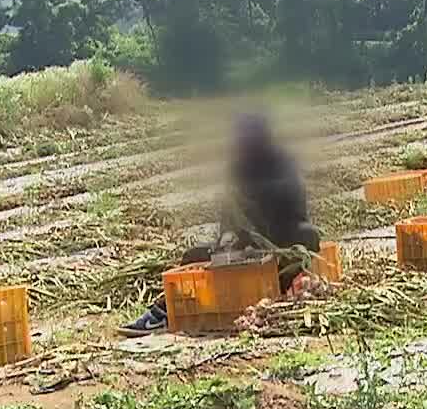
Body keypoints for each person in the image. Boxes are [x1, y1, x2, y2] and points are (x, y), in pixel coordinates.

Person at [121, 114, 322, 336]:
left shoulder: (284, 169)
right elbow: (229, 218)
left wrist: (260, 240)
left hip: (279, 250)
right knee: (192, 257)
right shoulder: (237, 170)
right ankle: (165, 312)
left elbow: (294, 218)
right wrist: (228, 239)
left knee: (307, 236)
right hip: (240, 253)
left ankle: (283, 298)